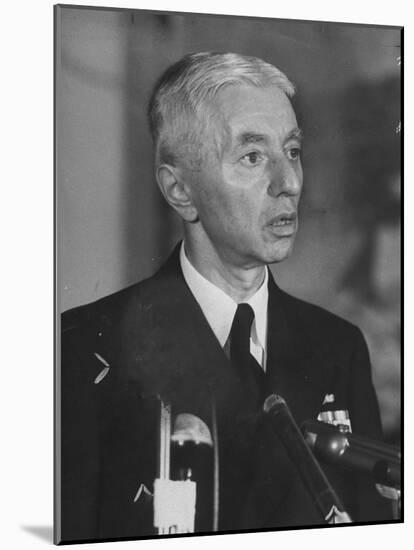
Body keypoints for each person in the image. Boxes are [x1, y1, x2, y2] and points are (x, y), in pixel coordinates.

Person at [59, 52, 391, 543]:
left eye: (293, 151)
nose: (290, 183)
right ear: (180, 191)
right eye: (253, 157)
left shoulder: (338, 348)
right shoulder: (83, 350)